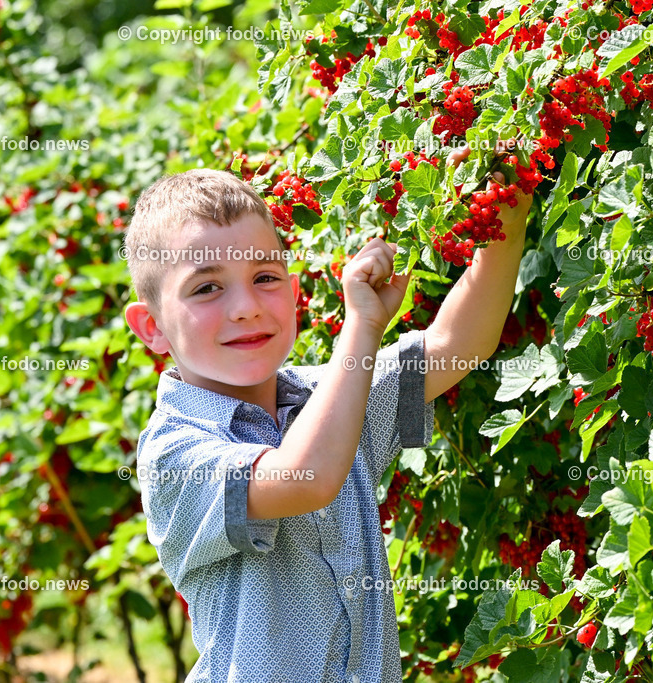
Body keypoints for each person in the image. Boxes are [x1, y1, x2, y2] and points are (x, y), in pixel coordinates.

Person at [123, 156, 532, 682]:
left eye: (264, 277)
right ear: (152, 327)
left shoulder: (329, 394)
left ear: (293, 292)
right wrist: (361, 326)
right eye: (207, 287)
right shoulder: (174, 452)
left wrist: (507, 219)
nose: (246, 306)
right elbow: (306, 477)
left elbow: (458, 345)